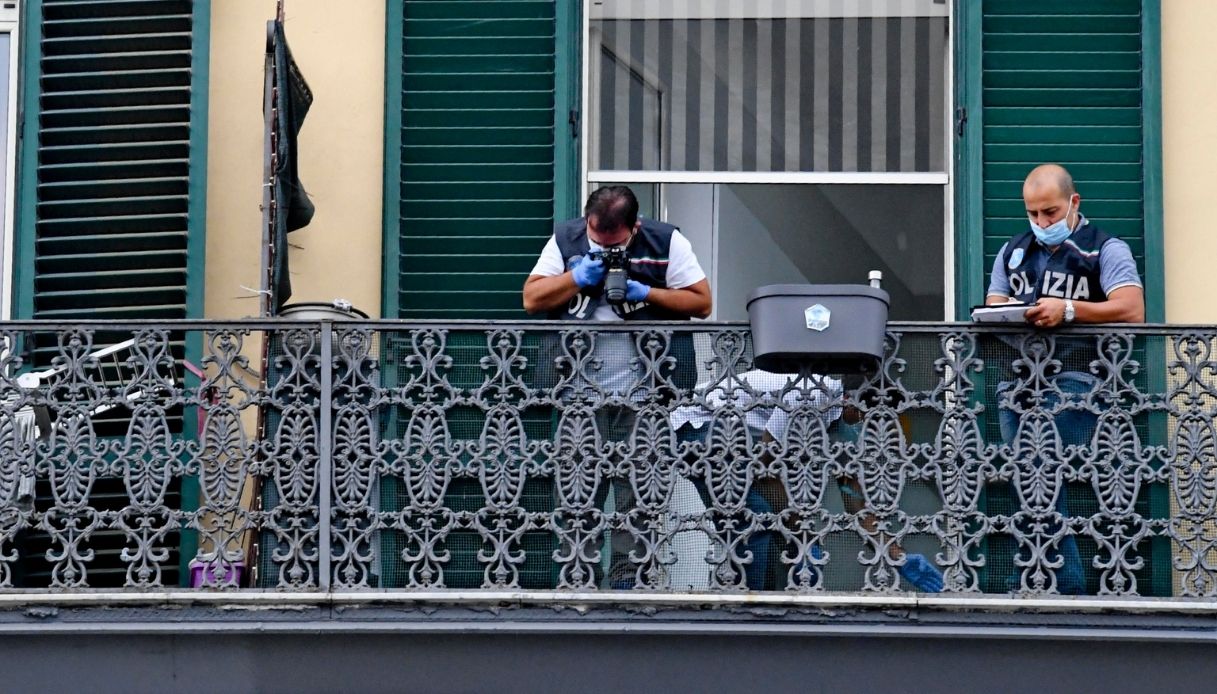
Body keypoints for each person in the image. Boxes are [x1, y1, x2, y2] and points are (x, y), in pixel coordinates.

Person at [524, 185, 711, 589]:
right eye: (595, 237)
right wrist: (575, 276)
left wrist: (646, 293)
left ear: (635, 227)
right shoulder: (565, 238)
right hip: (577, 396)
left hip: (646, 396)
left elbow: (702, 302)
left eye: (614, 243)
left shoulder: (666, 241)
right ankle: (579, 580)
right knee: (577, 496)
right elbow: (532, 298)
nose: (603, 246)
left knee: (639, 498)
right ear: (587, 220)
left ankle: (629, 584)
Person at [985, 163, 1145, 594]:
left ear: (1074, 203)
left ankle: (1063, 584)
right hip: (1016, 386)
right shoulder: (1010, 252)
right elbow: (994, 306)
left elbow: (1131, 308)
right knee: (1030, 483)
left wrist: (1069, 310)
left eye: (1051, 213)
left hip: (1078, 380)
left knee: (1042, 473)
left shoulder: (1105, 248)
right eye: (1033, 214)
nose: (1041, 223)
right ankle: (1047, 576)